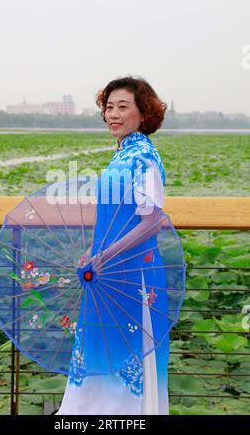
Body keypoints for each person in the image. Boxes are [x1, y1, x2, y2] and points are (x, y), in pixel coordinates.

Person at [56, 76, 177, 415]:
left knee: (125, 360)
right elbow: (115, 216)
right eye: (109, 107)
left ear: (144, 113)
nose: (113, 114)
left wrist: (105, 254)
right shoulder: (123, 155)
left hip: (132, 275)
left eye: (123, 107)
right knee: (98, 352)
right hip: (106, 272)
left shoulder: (144, 158)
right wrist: (94, 250)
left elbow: (152, 220)